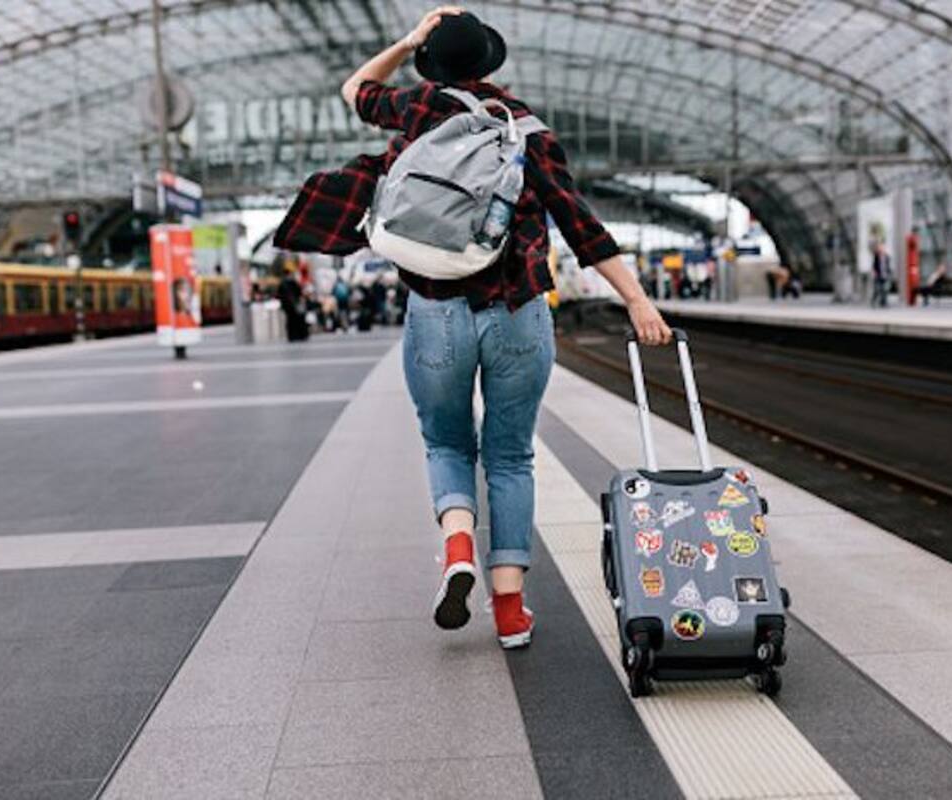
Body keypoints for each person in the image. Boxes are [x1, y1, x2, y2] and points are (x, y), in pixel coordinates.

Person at [276, 6, 670, 650]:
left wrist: (408, 39)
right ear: (489, 65)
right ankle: (510, 611)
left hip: (435, 311)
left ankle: (458, 543)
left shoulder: (414, 108)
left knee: (447, 444)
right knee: (510, 456)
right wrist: (637, 302)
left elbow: (353, 89)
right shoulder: (526, 130)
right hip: (515, 312)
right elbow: (581, 225)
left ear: (433, 65)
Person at [870, 242, 890, 308]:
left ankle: (883, 303)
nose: (882, 249)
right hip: (878, 275)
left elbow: (888, 266)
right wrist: (874, 272)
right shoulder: (876, 256)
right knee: (877, 289)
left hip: (884, 275)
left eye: (883, 248)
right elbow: (874, 265)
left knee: (884, 290)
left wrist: (888, 273)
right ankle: (873, 301)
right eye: (880, 248)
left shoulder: (887, 256)